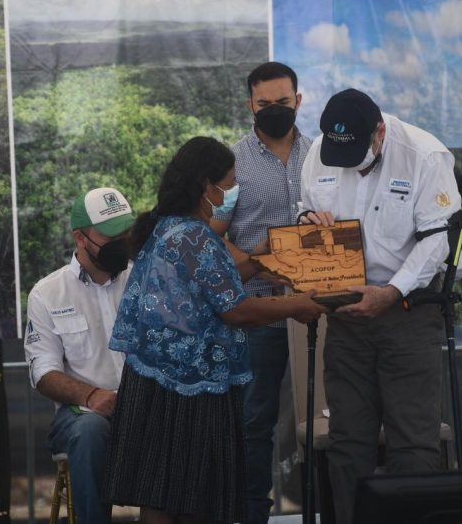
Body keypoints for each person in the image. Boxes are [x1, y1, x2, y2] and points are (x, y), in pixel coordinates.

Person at [105, 136, 326, 524]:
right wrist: (300, 305)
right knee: (192, 499)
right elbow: (236, 310)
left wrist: (258, 262)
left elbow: (209, 284)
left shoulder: (167, 225)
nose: (231, 191)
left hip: (157, 383)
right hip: (189, 389)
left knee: (163, 496)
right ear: (207, 186)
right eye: (228, 182)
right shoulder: (195, 236)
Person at [299, 89, 461, 523]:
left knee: (413, 442)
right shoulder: (319, 152)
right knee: (348, 441)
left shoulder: (425, 156)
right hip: (346, 315)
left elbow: (437, 241)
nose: (346, 161)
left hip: (408, 312)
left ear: (380, 132)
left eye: (355, 151)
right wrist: (309, 225)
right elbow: (304, 212)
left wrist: (393, 292)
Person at [209, 62, 311, 524]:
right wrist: (257, 255)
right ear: (250, 105)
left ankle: (331, 508)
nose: (274, 111)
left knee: (329, 418)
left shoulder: (325, 156)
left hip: (319, 309)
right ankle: (251, 515)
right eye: (265, 104)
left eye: (283, 103)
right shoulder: (232, 166)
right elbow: (213, 236)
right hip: (261, 311)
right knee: (254, 425)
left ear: (299, 101)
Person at [25, 187, 136, 524]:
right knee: (90, 431)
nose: (122, 242)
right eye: (111, 235)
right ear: (81, 238)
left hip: (146, 404)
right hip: (82, 413)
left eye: (126, 233)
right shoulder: (47, 293)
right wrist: (90, 395)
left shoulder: (143, 278)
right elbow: (43, 372)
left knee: (190, 418)